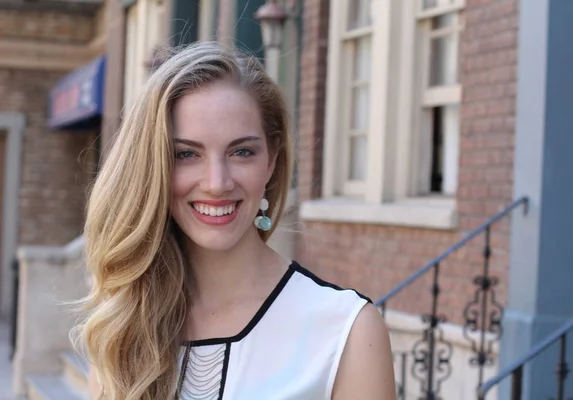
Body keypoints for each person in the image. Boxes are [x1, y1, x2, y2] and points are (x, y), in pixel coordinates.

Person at [73, 42, 396, 400]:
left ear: (271, 159)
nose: (217, 183)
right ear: (153, 166)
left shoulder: (347, 332)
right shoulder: (122, 323)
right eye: (186, 154)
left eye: (241, 151)